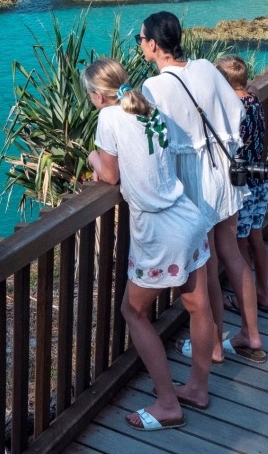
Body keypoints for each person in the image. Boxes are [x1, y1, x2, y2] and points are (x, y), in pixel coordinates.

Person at [83, 57, 215, 431]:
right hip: (187, 216)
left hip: (158, 230)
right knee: (198, 305)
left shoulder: (109, 117)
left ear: (96, 95)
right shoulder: (148, 108)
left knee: (133, 312)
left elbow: (109, 176)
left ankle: (167, 403)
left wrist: (91, 156)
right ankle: (197, 389)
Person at [139, 12, 266, 365]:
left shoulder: (154, 87)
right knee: (233, 254)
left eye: (140, 40)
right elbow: (237, 112)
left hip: (194, 182)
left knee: (206, 264)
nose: (140, 46)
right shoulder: (207, 68)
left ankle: (211, 345)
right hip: (225, 173)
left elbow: (154, 143)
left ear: (153, 44)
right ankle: (251, 335)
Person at [214, 55, 268, 314]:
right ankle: (264, 293)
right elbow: (253, 89)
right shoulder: (254, 100)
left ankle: (244, 298)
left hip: (242, 184)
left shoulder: (231, 109)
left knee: (239, 244)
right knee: (256, 240)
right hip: (259, 177)